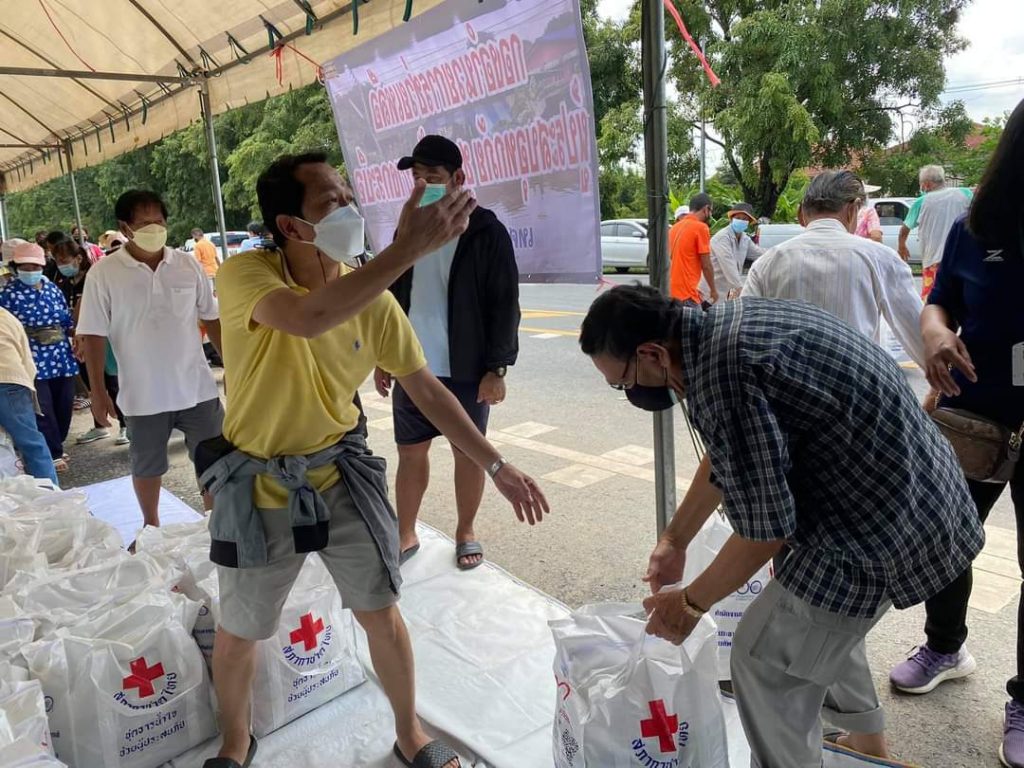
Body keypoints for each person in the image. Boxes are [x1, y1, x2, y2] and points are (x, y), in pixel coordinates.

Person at [203, 151, 548, 768]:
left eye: (347, 195)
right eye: (330, 201)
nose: (348, 208)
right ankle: (235, 741)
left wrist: (497, 465)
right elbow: (307, 318)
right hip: (256, 484)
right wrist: (408, 251)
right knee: (240, 630)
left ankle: (409, 732)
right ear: (290, 226)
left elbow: (429, 392)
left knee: (382, 615)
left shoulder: (376, 301)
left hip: (340, 474)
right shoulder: (245, 274)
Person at [579, 283, 983, 767]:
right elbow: (730, 453)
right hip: (915, 494)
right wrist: (675, 538)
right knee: (815, 632)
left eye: (623, 382)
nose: (630, 393)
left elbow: (765, 530)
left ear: (652, 354)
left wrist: (688, 604)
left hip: (879, 525)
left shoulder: (723, 372)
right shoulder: (723, 328)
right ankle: (868, 750)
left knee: (764, 659)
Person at [888, 97, 1024, 768]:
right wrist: (937, 331)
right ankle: (945, 646)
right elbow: (941, 299)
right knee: (948, 536)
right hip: (974, 411)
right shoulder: (978, 229)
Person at [375, 135, 520, 570]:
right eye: (416, 178)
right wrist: (383, 356)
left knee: (469, 453)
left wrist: (496, 368)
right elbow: (392, 294)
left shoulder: (487, 231)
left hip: (467, 367)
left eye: (432, 177)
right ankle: (405, 532)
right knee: (410, 451)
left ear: (458, 178)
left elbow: (504, 303)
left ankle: (465, 531)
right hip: (412, 364)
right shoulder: (409, 229)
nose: (423, 186)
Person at [77, 190, 223, 528]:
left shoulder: (186, 264)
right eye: (144, 223)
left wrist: (233, 366)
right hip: (142, 394)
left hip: (197, 388)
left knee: (215, 460)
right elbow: (94, 335)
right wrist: (98, 392)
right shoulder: (104, 273)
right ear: (125, 228)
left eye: (159, 221)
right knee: (146, 465)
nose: (154, 229)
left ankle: (217, 523)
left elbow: (211, 317)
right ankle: (151, 525)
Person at [742, 170, 926, 368]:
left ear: (800, 214)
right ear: (852, 210)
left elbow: (743, 335)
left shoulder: (767, 263)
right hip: (859, 382)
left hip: (785, 386)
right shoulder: (882, 259)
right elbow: (922, 338)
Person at [0, 242, 79, 473]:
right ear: (15, 267)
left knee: (64, 405)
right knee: (43, 409)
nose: (31, 270)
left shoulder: (52, 288)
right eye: (25, 266)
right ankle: (53, 452)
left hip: (60, 356)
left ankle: (56, 443)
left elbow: (65, 318)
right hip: (32, 357)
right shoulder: (8, 295)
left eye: (35, 266)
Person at [50, 235, 129, 447]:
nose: (62, 265)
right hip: (76, 339)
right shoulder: (64, 282)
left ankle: (125, 424)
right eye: (58, 261)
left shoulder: (94, 277)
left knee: (111, 381)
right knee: (91, 383)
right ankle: (100, 424)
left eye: (65, 260)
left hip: (101, 337)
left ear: (78, 257)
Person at [0, 305, 59, 486]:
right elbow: (26, 359)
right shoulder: (6, 317)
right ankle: (50, 493)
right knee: (31, 443)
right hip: (12, 381)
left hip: (8, 380)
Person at [898, 165, 972, 298]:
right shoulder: (965, 193)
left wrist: (901, 245)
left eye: (921, 184)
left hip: (934, 262)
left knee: (932, 300)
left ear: (926, 184)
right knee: (963, 298)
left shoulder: (921, 202)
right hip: (963, 259)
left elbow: (905, 229)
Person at [698, 202, 762, 301]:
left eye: (744, 219)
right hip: (708, 291)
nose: (741, 221)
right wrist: (741, 289)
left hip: (723, 292)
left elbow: (759, 253)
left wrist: (778, 253)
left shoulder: (745, 239)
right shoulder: (722, 238)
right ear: (731, 219)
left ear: (748, 222)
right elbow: (729, 266)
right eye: (738, 218)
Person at [669, 192, 715, 307]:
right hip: (688, 295)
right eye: (710, 211)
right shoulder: (701, 228)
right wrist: (713, 290)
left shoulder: (674, 229)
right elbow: (706, 265)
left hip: (672, 293)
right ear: (706, 209)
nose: (710, 214)